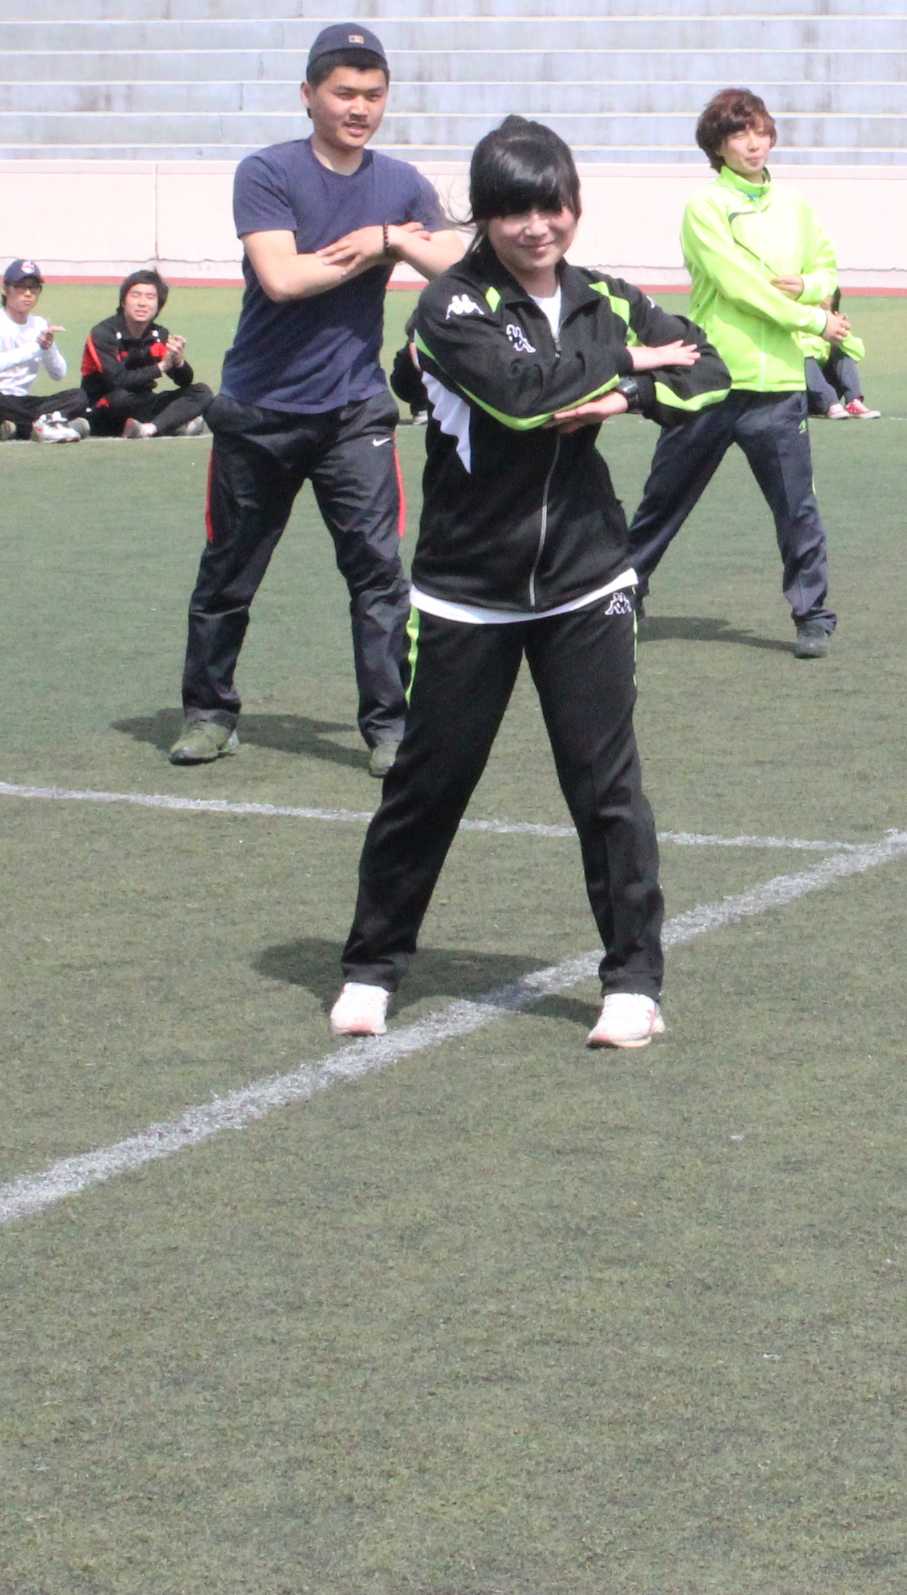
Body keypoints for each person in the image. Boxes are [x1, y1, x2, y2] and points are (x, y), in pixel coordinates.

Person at [332, 116, 730, 1053]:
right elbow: (521, 399)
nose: (538, 227)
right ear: (483, 216)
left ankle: (632, 983)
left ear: (574, 207)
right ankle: (372, 966)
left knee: (606, 789)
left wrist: (630, 394)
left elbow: (712, 373)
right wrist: (629, 361)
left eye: (554, 207)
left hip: (587, 585)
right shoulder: (449, 307)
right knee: (428, 787)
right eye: (515, 211)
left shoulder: (607, 297)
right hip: (465, 592)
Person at [175, 23, 466, 772]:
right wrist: (379, 244)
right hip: (258, 411)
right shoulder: (266, 171)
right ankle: (210, 714)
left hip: (354, 413)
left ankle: (390, 729)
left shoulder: (402, 182)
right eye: (343, 93)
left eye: (373, 94)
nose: (359, 107)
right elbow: (283, 278)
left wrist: (391, 239)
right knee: (229, 574)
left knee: (378, 577)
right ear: (308, 95)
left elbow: (456, 264)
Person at [623, 88, 858, 658]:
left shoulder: (795, 206)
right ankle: (622, 595)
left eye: (760, 131)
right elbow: (738, 286)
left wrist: (811, 286)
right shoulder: (705, 207)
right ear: (718, 146)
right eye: (738, 134)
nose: (753, 144)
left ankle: (813, 616)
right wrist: (814, 319)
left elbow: (826, 267)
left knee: (797, 509)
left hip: (778, 386)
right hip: (709, 380)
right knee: (663, 500)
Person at [0, 260, 84, 441]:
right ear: (5, 290)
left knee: (79, 397)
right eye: (21, 287)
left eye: (34, 288)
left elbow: (59, 374)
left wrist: (48, 348)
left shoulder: (39, 324)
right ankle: (48, 424)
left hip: (20, 403)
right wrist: (36, 347)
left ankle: (17, 428)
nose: (28, 293)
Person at [82, 269, 212, 437]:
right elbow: (117, 381)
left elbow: (184, 381)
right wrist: (160, 367)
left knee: (201, 392)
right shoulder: (103, 333)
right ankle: (172, 424)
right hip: (106, 405)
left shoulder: (159, 334)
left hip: (144, 401)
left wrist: (178, 361)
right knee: (120, 399)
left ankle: (149, 429)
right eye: (136, 296)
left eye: (150, 297)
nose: (142, 303)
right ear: (124, 301)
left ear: (158, 305)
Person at [803, 287, 878, 419]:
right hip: (801, 397)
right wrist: (821, 335)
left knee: (842, 350)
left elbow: (858, 352)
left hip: (824, 394)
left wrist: (841, 335)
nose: (819, 312)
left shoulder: (831, 327)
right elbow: (802, 350)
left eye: (824, 308)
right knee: (804, 358)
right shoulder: (800, 324)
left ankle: (853, 401)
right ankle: (830, 402)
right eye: (814, 306)